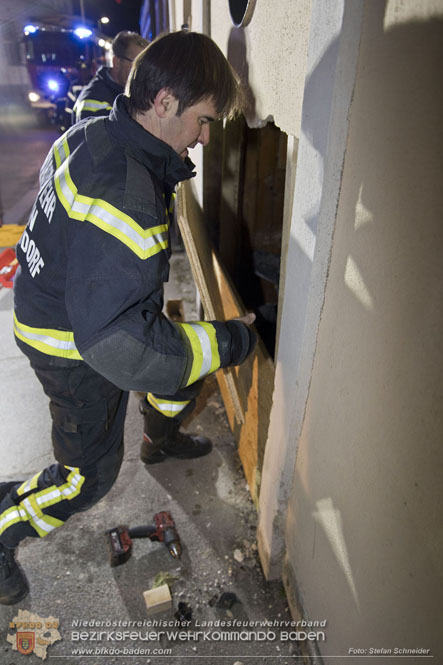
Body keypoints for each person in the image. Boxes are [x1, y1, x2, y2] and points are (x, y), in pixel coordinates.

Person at [0, 30, 256, 605]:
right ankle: (5, 531)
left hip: (54, 309)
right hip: (70, 348)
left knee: (178, 359)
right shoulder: (128, 194)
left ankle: (159, 440)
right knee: (85, 477)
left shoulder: (91, 132)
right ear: (164, 102)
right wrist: (230, 343)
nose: (205, 137)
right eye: (204, 120)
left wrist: (194, 347)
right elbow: (117, 344)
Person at [72, 30, 149, 123]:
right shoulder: (94, 99)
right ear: (116, 62)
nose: (142, 72)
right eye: (137, 64)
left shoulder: (130, 91)